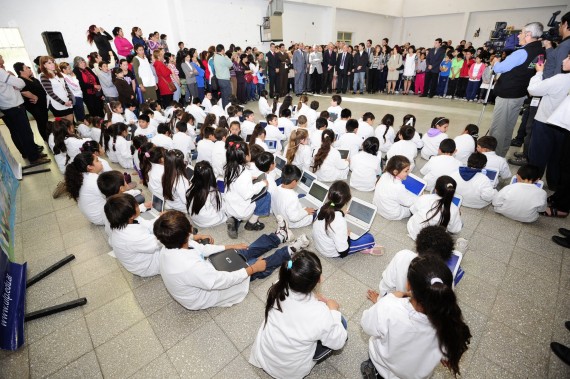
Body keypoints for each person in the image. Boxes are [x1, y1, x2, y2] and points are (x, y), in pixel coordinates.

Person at [156, 210, 309, 310]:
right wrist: (252, 269)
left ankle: (280, 236)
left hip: (206, 273)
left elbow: (200, 249)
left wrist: (230, 246)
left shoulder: (171, 243)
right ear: (186, 234)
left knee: (242, 250)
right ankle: (290, 251)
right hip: (208, 291)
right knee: (255, 265)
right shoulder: (189, 267)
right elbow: (221, 281)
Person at [360, 255, 471, 379]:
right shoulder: (450, 322)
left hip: (382, 368)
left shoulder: (389, 306)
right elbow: (446, 356)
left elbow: (366, 325)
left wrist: (387, 299)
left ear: (408, 285)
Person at [249, 250, 347, 378]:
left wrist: (313, 296)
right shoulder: (320, 314)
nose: (322, 278)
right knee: (342, 323)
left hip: (265, 356)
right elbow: (338, 343)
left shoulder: (278, 285)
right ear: (317, 281)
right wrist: (333, 311)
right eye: (319, 276)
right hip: (289, 372)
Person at [488, 22, 545, 157]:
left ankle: (494, 158)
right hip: (520, 94)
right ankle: (501, 154)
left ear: (529, 34)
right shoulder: (541, 52)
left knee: (498, 129)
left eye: (521, 32)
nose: (519, 35)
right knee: (508, 128)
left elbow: (499, 68)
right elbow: (539, 70)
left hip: (508, 95)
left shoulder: (521, 52)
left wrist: (496, 62)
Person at [527, 55, 570, 189]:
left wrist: (539, 72)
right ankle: (554, 184)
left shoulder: (560, 79)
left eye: (568, 58)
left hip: (545, 122)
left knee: (538, 155)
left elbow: (533, 90)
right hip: (565, 126)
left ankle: (532, 181)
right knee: (558, 157)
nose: (563, 60)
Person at [378, 225, 456, 296]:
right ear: (447, 257)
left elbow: (386, 284)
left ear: (417, 246)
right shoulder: (446, 279)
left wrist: (380, 300)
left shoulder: (403, 256)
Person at [0, 56, 49, 164]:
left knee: (21, 133)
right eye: (1, 58)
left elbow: (17, 85)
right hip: (13, 107)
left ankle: (30, 153)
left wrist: (14, 81)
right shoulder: (1, 72)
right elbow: (21, 84)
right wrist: (14, 80)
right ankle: (34, 157)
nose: (3, 59)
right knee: (25, 133)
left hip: (10, 107)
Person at [313, 180, 378, 258]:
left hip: (319, 245)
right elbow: (343, 251)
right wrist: (347, 236)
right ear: (347, 200)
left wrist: (342, 213)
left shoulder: (325, 207)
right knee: (369, 238)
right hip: (330, 252)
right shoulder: (339, 220)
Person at [104, 193, 161, 277]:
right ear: (131, 216)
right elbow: (160, 242)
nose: (139, 206)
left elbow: (146, 224)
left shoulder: (119, 223)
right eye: (137, 206)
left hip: (137, 260)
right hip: (148, 267)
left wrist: (159, 218)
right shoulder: (133, 237)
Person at [224, 141, 270, 237]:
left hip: (230, 206)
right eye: (248, 151)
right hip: (242, 210)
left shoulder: (228, 167)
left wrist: (249, 179)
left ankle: (235, 220)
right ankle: (251, 223)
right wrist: (262, 183)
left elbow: (237, 183)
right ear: (245, 156)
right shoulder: (245, 174)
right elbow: (248, 194)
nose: (250, 153)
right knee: (266, 195)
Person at [407, 176, 462, 240]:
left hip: (414, 231)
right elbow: (455, 230)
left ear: (435, 189)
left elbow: (413, 210)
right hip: (432, 240)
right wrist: (457, 214)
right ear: (452, 192)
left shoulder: (424, 198)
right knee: (460, 223)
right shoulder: (454, 209)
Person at [65, 152, 105, 225]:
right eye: (97, 160)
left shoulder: (82, 176)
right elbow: (114, 194)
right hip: (102, 218)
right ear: (90, 167)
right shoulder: (95, 180)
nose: (101, 161)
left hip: (93, 217)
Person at [13, 62, 49, 141]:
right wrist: (33, 96)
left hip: (43, 104)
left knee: (45, 122)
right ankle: (46, 139)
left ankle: (50, 137)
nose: (29, 69)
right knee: (41, 122)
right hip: (34, 106)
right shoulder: (20, 80)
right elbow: (21, 91)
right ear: (21, 71)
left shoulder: (32, 78)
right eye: (26, 68)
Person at [373, 155, 416, 220]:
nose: (408, 173)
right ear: (395, 172)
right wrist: (419, 198)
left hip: (377, 207)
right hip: (391, 214)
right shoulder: (398, 187)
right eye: (406, 171)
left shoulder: (384, 175)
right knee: (413, 208)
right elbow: (408, 202)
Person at [186, 161, 227, 228]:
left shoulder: (191, 187)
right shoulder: (213, 192)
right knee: (225, 207)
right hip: (207, 221)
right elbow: (218, 208)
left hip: (195, 219)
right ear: (211, 175)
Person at [39, 56, 74, 122]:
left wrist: (70, 99)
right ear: (44, 65)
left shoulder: (59, 74)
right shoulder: (44, 76)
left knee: (70, 124)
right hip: (57, 103)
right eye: (49, 63)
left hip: (67, 101)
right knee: (62, 127)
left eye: (53, 62)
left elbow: (66, 87)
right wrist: (63, 103)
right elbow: (50, 93)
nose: (52, 64)